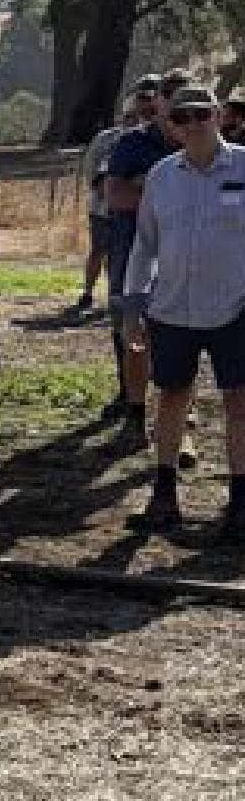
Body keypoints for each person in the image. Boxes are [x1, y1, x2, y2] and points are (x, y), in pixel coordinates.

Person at [119, 85, 245, 543]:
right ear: (170, 123)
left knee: (240, 403)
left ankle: (240, 504)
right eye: (182, 116)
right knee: (171, 397)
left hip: (236, 307)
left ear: (218, 116)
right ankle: (164, 494)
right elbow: (145, 243)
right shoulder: (161, 176)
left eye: (202, 114)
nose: (193, 124)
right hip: (171, 307)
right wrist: (134, 303)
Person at [102, 71, 188, 439]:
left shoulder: (207, 145)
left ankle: (180, 423)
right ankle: (134, 412)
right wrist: (173, 200)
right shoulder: (131, 143)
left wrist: (144, 187)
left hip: (186, 256)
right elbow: (116, 197)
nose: (179, 106)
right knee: (132, 329)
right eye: (171, 96)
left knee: (183, 337)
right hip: (134, 250)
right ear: (160, 101)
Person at [78, 83, 153, 315]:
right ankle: (89, 292)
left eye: (145, 113)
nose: (139, 118)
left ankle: (119, 297)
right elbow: (93, 171)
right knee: (99, 250)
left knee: (125, 255)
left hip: (135, 211)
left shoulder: (151, 142)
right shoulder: (107, 139)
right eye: (134, 113)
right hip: (102, 209)